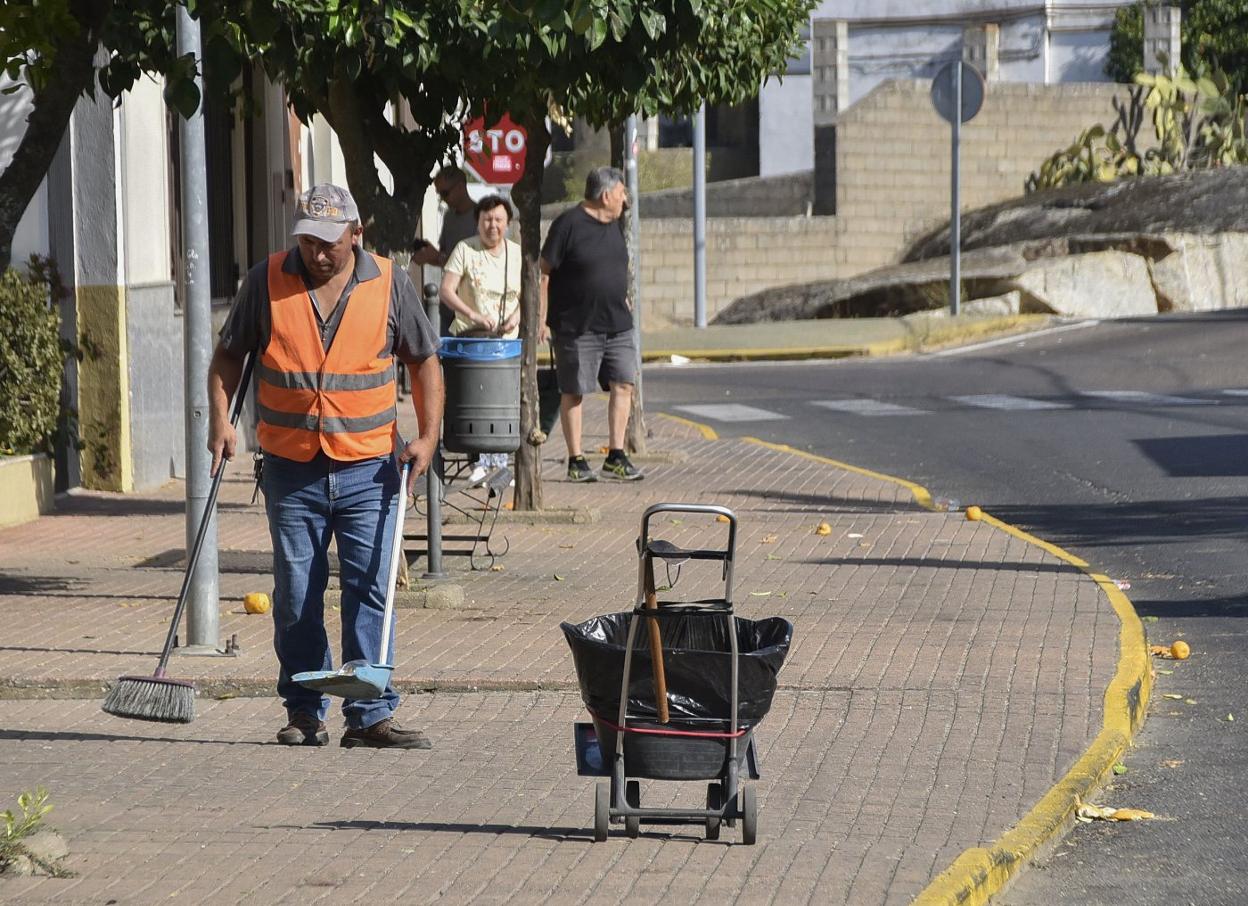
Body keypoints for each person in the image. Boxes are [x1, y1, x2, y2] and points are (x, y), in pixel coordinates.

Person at [208, 183, 444, 750]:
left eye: (330, 242)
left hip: (371, 468)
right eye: (309, 240)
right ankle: (305, 712)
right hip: (292, 470)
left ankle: (368, 718)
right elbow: (228, 356)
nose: (318, 253)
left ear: (355, 235)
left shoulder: (388, 281)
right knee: (296, 595)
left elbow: (424, 359)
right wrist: (221, 421)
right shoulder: (265, 280)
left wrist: (430, 436)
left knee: (370, 590)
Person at [540, 166, 643, 482]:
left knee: (624, 383)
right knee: (574, 391)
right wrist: (542, 320)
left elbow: (614, 268)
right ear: (607, 194)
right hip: (576, 324)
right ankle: (576, 459)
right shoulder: (568, 225)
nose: (625, 199)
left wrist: (623, 296)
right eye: (622, 193)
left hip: (617, 323)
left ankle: (616, 454)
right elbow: (543, 273)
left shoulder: (614, 225)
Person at [440, 194, 522, 483]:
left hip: (505, 344)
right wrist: (473, 315)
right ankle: (476, 461)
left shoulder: (516, 254)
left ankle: (500, 464)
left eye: (499, 220)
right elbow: (446, 290)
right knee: (473, 400)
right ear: (478, 222)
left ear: (507, 223)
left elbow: (526, 295)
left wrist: (517, 317)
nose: (492, 226)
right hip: (470, 340)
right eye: (486, 220)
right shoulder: (465, 249)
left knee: (501, 402)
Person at [410, 166, 477, 335]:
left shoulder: (482, 219)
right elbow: (446, 258)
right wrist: (428, 256)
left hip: (472, 306)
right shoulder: (449, 217)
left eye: (445, 193)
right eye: (439, 194)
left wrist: (438, 257)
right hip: (449, 305)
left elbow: (475, 267)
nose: (443, 199)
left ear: (461, 187)